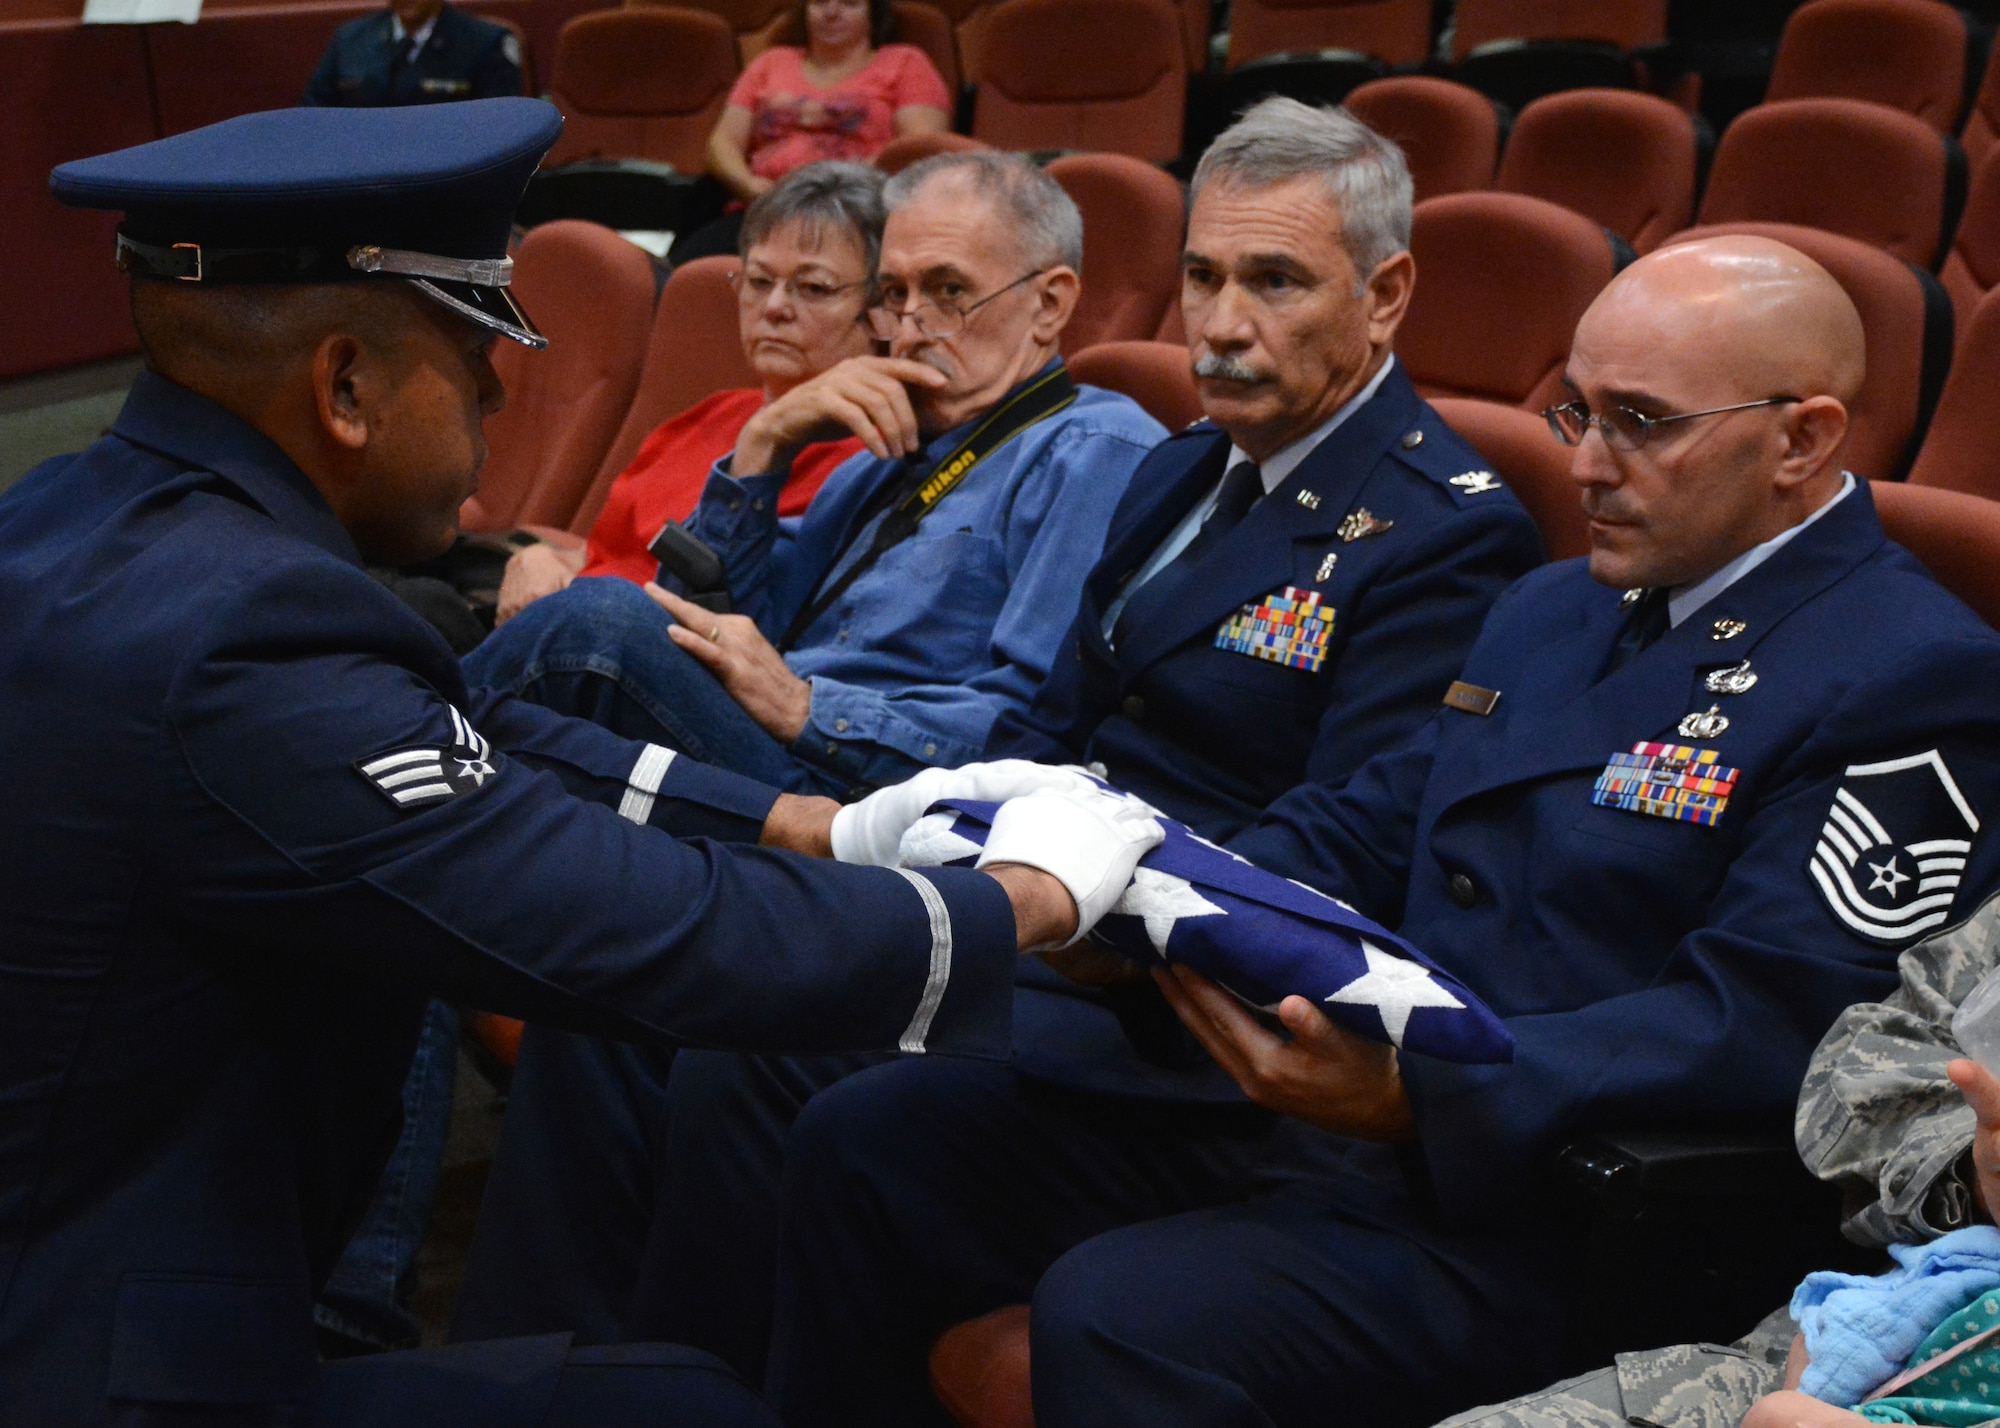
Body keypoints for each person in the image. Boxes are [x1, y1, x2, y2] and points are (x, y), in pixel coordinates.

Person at [1, 97, 1131, 1427]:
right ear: (346, 386)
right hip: (101, 1356)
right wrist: (1012, 910)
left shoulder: (68, 518)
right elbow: (648, 924)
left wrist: (802, 827)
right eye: (476, 351)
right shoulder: (249, 634)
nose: (495, 390)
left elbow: (475, 739)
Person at [757, 233, 2000, 1428]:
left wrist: (1428, 1091)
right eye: (1577, 412)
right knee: (876, 1141)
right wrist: (1113, 905)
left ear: (1803, 439)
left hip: (1557, 1200)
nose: (1580, 465)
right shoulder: (1552, 608)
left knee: (1123, 1313)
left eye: (1641, 423)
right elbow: (1356, 827)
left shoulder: (1909, 673)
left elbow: (1762, 1026)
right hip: (1340, 1115)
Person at [446, 96, 1548, 1374]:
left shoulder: (1442, 529)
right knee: (633, 994)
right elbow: (1045, 729)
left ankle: (701, 1396)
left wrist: (1052, 900)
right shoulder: (1187, 472)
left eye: (1274, 281)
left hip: (1162, 980)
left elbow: (1328, 858)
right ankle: (542, 1373)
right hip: (1030, 886)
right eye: (1200, 276)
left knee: (746, 1043)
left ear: (1386, 294)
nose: (1223, 323)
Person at [467, 149, 1164, 800]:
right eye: (895, 293)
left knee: (599, 627)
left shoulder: (1095, 449)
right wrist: (765, 445)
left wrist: (804, 706)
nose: (912, 326)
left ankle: (381, 759)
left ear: (1051, 304)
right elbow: (697, 615)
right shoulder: (877, 459)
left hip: (881, 794)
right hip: (776, 745)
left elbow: (1037, 731)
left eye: (949, 291)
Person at [494, 161, 882, 625]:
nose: (775, 307)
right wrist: (544, 559)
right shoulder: (712, 414)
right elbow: (607, 556)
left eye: (814, 287)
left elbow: (720, 624)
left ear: (882, 308)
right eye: (759, 281)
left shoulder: (872, 463)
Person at [675, 0, 950, 264]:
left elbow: (916, 151)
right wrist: (750, 186)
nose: (831, 12)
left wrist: (825, 190)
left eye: (849, 3)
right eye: (819, 2)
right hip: (764, 210)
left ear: (873, 15)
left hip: (856, 216)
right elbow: (721, 143)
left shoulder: (905, 63)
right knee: (690, 271)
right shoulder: (771, 62)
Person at [304, 0, 521, 107]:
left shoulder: (486, 42)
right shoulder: (350, 40)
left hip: (448, 181)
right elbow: (312, 116)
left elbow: (501, 134)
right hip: (361, 178)